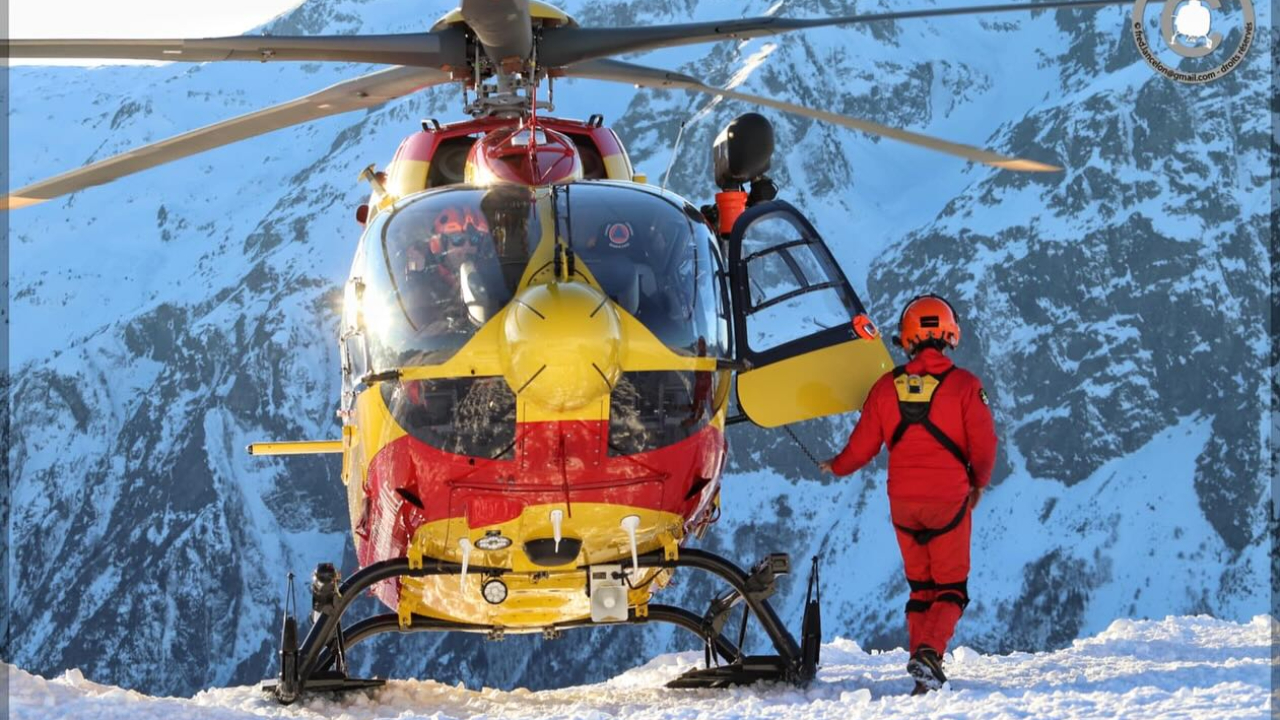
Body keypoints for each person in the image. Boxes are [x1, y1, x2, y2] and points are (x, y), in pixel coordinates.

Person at [818, 294, 997, 694]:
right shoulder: (966, 387)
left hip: (903, 503)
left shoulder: (886, 388)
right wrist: (978, 484)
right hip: (948, 500)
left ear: (908, 339)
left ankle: (922, 672)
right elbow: (984, 447)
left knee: (921, 588)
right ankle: (929, 653)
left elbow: (862, 447)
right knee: (951, 588)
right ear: (949, 335)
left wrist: (836, 465)